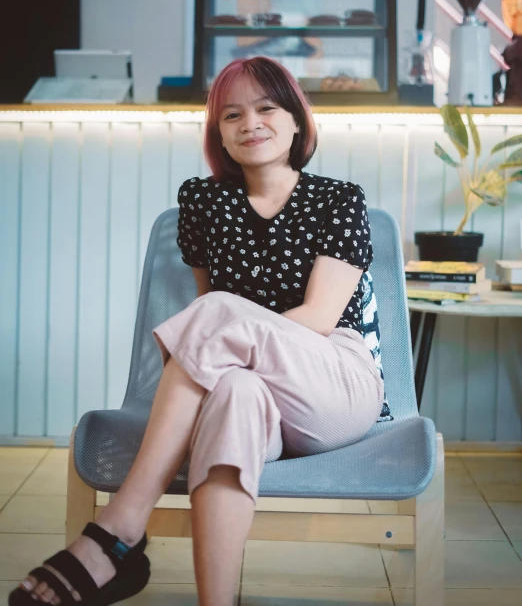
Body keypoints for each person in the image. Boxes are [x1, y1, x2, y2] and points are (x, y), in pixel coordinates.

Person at [11, 56, 390, 606]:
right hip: (248, 381)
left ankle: (119, 528)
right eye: (231, 115)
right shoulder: (204, 201)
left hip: (331, 380)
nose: (249, 123)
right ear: (218, 133)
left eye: (266, 108)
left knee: (217, 315)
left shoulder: (337, 199)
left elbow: (317, 319)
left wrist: (229, 328)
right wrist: (227, 347)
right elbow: (208, 308)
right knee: (232, 391)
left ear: (296, 120)